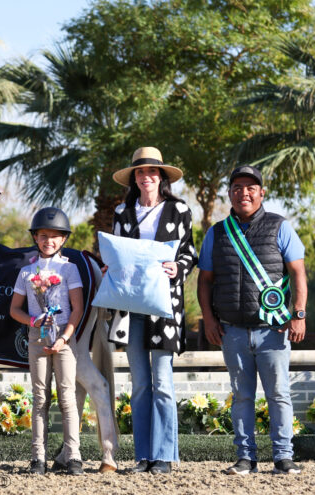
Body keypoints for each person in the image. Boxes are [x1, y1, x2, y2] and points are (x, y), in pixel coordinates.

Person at [197, 165, 307, 475]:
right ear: (229, 194)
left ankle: (284, 457)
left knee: (278, 394)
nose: (243, 192)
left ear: (261, 193)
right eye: (237, 187)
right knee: (242, 396)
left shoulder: (280, 226)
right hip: (231, 330)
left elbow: (298, 273)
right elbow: (204, 280)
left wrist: (298, 315)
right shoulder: (217, 232)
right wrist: (208, 319)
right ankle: (245, 458)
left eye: (250, 187)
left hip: (273, 330)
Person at [110, 146, 197, 475]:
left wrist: (178, 267)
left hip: (165, 307)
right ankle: (143, 457)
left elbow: (190, 251)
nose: (146, 177)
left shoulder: (180, 210)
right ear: (134, 177)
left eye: (152, 172)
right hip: (131, 308)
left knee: (162, 381)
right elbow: (116, 254)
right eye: (140, 172)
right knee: (140, 384)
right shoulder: (122, 212)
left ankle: (164, 456)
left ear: (161, 177)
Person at [9, 207, 85, 475]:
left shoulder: (70, 269)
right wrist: (33, 321)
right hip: (37, 338)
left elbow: (77, 308)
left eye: (54, 236)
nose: (48, 240)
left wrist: (64, 337)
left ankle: (73, 455)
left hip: (64, 337)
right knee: (40, 398)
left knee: (67, 397)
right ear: (35, 238)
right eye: (43, 236)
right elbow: (14, 309)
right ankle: (38, 457)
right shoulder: (26, 273)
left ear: (63, 239)